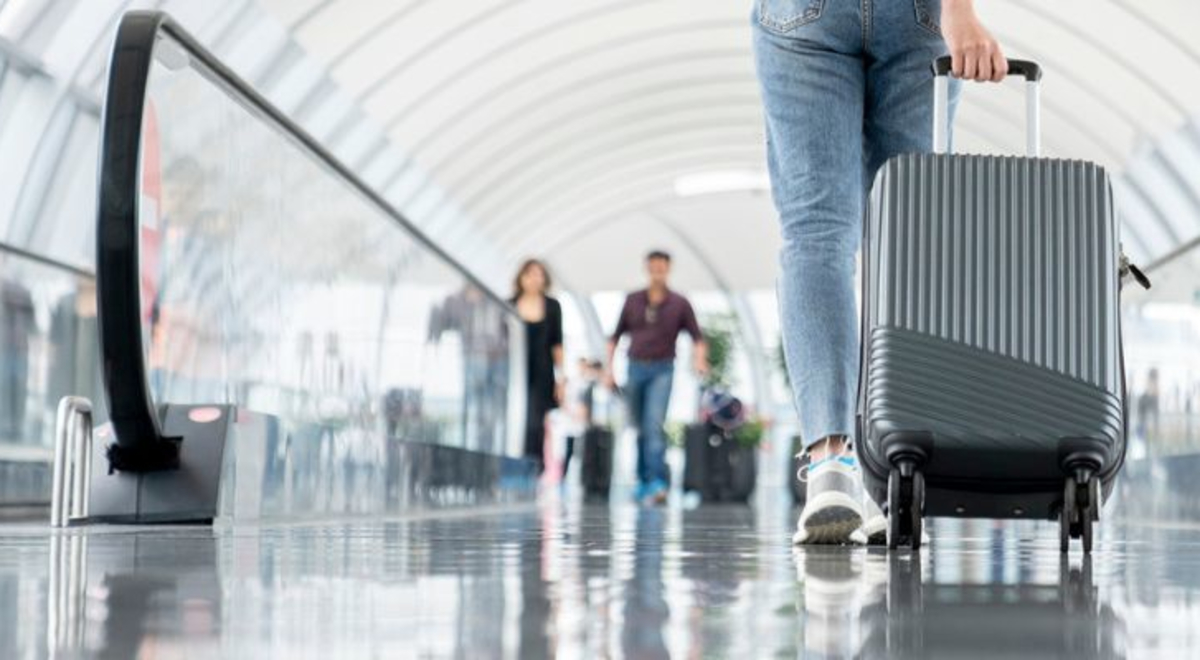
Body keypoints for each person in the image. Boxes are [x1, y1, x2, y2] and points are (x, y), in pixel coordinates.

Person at [753, 0, 1008, 544]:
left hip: (801, 16)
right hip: (917, 14)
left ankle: (831, 466)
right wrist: (959, 12)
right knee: (907, 236)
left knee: (816, 233)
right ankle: (896, 468)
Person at [606, 250, 707, 505]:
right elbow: (614, 337)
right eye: (653, 267)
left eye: (662, 267)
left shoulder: (680, 303)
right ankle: (642, 482)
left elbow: (697, 338)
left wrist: (699, 360)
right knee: (638, 427)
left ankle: (657, 482)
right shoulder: (632, 300)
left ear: (668, 269)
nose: (657, 271)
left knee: (653, 424)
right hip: (634, 368)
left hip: (663, 369)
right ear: (647, 269)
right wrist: (609, 370)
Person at [511, 259, 565, 473]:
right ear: (521, 277)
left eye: (538, 274)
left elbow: (557, 344)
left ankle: (533, 467)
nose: (534, 278)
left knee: (535, 421)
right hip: (515, 372)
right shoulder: (509, 303)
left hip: (542, 372)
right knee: (516, 418)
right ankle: (514, 463)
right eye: (529, 273)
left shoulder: (552, 306)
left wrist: (562, 379)